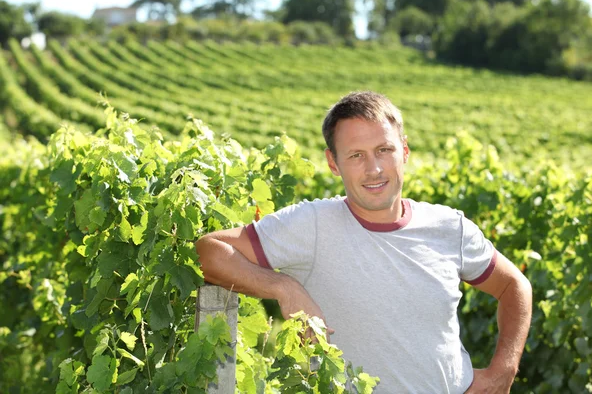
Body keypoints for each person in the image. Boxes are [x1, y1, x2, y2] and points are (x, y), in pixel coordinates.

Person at [195, 91, 532, 393]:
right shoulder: (312, 225)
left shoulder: (449, 227)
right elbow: (210, 252)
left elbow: (514, 286)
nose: (373, 169)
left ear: (405, 151)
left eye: (384, 150)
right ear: (333, 163)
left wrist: (504, 370)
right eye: (356, 155)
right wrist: (283, 287)